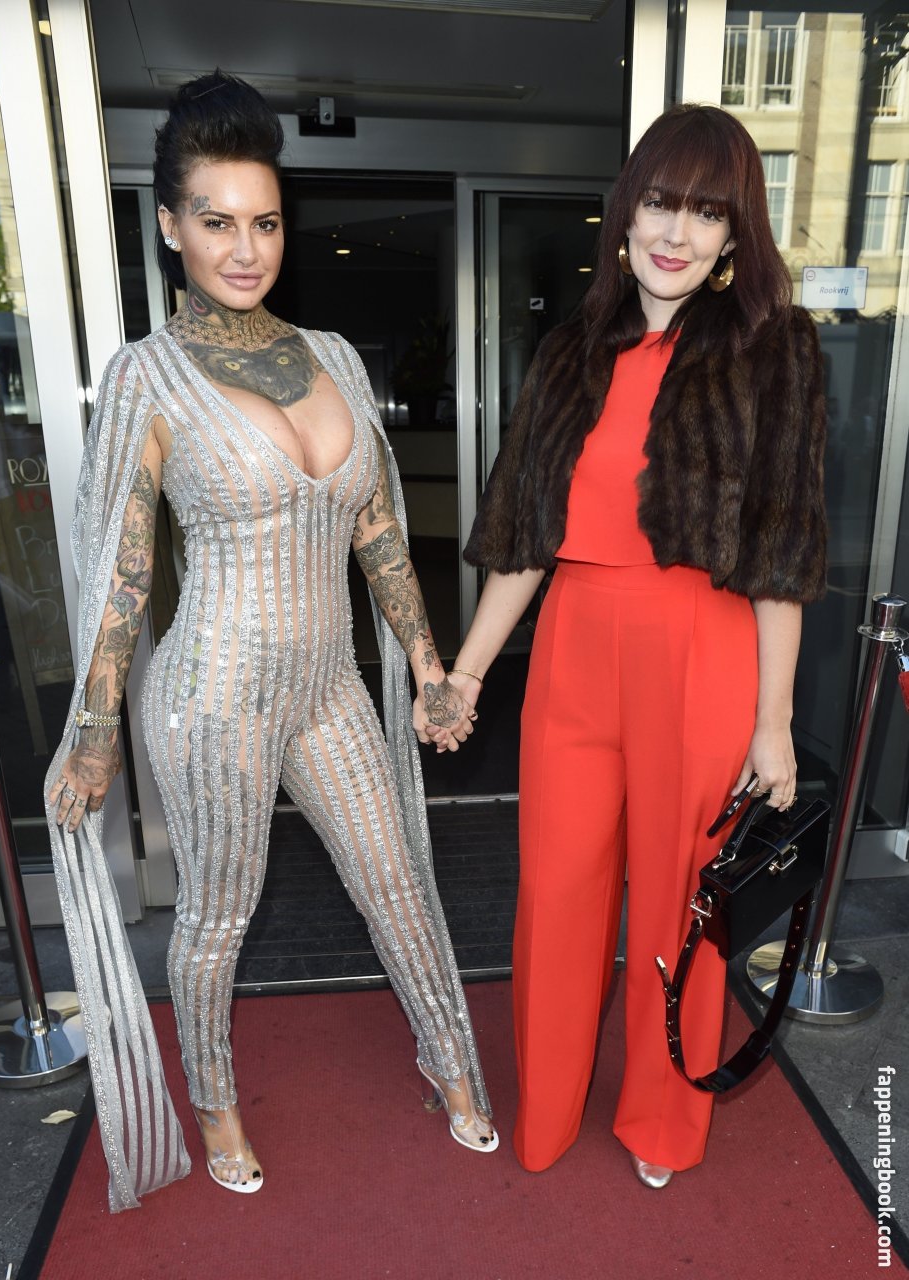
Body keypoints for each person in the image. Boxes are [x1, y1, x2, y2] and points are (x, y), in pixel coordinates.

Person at [45, 69, 496, 1212]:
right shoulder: (147, 378)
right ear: (170, 224)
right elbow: (122, 574)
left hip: (330, 682)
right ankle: (214, 1100)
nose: (246, 249)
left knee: (397, 880)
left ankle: (449, 1055)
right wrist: (94, 732)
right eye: (217, 222)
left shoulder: (335, 355)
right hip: (213, 693)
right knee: (218, 913)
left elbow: (379, 529)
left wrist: (430, 667)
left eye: (266, 222)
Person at [441, 104, 827, 1187]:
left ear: (735, 235)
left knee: (677, 902)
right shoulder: (571, 352)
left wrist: (773, 723)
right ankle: (550, 1107)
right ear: (627, 212)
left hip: (702, 654)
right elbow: (523, 538)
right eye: (662, 202)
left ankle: (662, 1119)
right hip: (573, 651)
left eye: (708, 212)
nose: (677, 231)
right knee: (556, 894)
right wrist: (467, 672)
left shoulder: (773, 351)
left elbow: (783, 554)